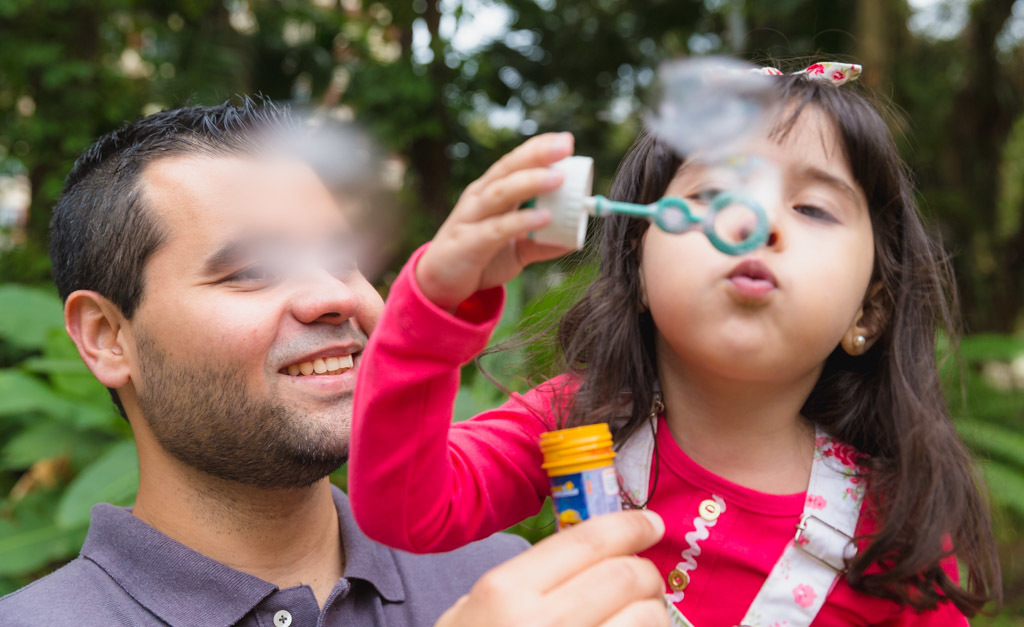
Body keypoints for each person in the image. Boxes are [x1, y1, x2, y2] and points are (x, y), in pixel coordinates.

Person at [348, 65, 1002, 625]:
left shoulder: (895, 529)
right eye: (716, 194)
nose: (756, 222)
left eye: (812, 209)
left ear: (869, 309)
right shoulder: (577, 420)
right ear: (637, 270)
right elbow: (406, 511)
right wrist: (437, 305)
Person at [0, 99, 670, 627]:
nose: (334, 294)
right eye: (253, 269)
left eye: (340, 256)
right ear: (106, 336)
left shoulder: (515, 579)